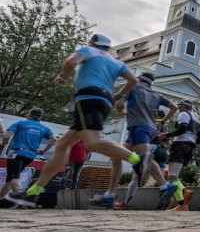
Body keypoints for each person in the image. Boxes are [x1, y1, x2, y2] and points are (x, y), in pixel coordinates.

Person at [7, 34, 142, 208]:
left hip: (88, 98)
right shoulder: (117, 62)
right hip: (102, 100)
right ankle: (34, 192)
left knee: (92, 142)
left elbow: (71, 62)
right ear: (107, 47)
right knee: (63, 145)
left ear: (93, 42)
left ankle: (136, 159)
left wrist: (62, 76)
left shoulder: (88, 50)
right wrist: (119, 96)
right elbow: (133, 80)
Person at [105, 72, 178, 210]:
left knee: (145, 160)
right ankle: (111, 194)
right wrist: (162, 122)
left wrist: (125, 111)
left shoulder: (133, 88)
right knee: (117, 156)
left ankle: (164, 187)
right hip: (145, 129)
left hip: (139, 128)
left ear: (138, 79)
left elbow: (119, 105)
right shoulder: (156, 95)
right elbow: (174, 107)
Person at [157, 99, 200, 211]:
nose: (178, 109)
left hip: (180, 145)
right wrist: (191, 141)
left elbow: (182, 129)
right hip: (189, 147)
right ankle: (182, 204)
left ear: (183, 106)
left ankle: (183, 198)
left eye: (179, 106)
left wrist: (166, 135)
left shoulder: (183, 114)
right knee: (174, 176)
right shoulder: (197, 119)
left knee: (172, 176)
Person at [1, 108, 56, 200]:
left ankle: (19, 194)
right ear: (40, 117)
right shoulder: (44, 128)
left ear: (30, 114)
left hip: (17, 153)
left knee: (14, 176)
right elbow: (54, 140)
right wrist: (44, 151)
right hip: (31, 156)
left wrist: (3, 143)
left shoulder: (20, 123)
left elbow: (7, 135)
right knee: (9, 179)